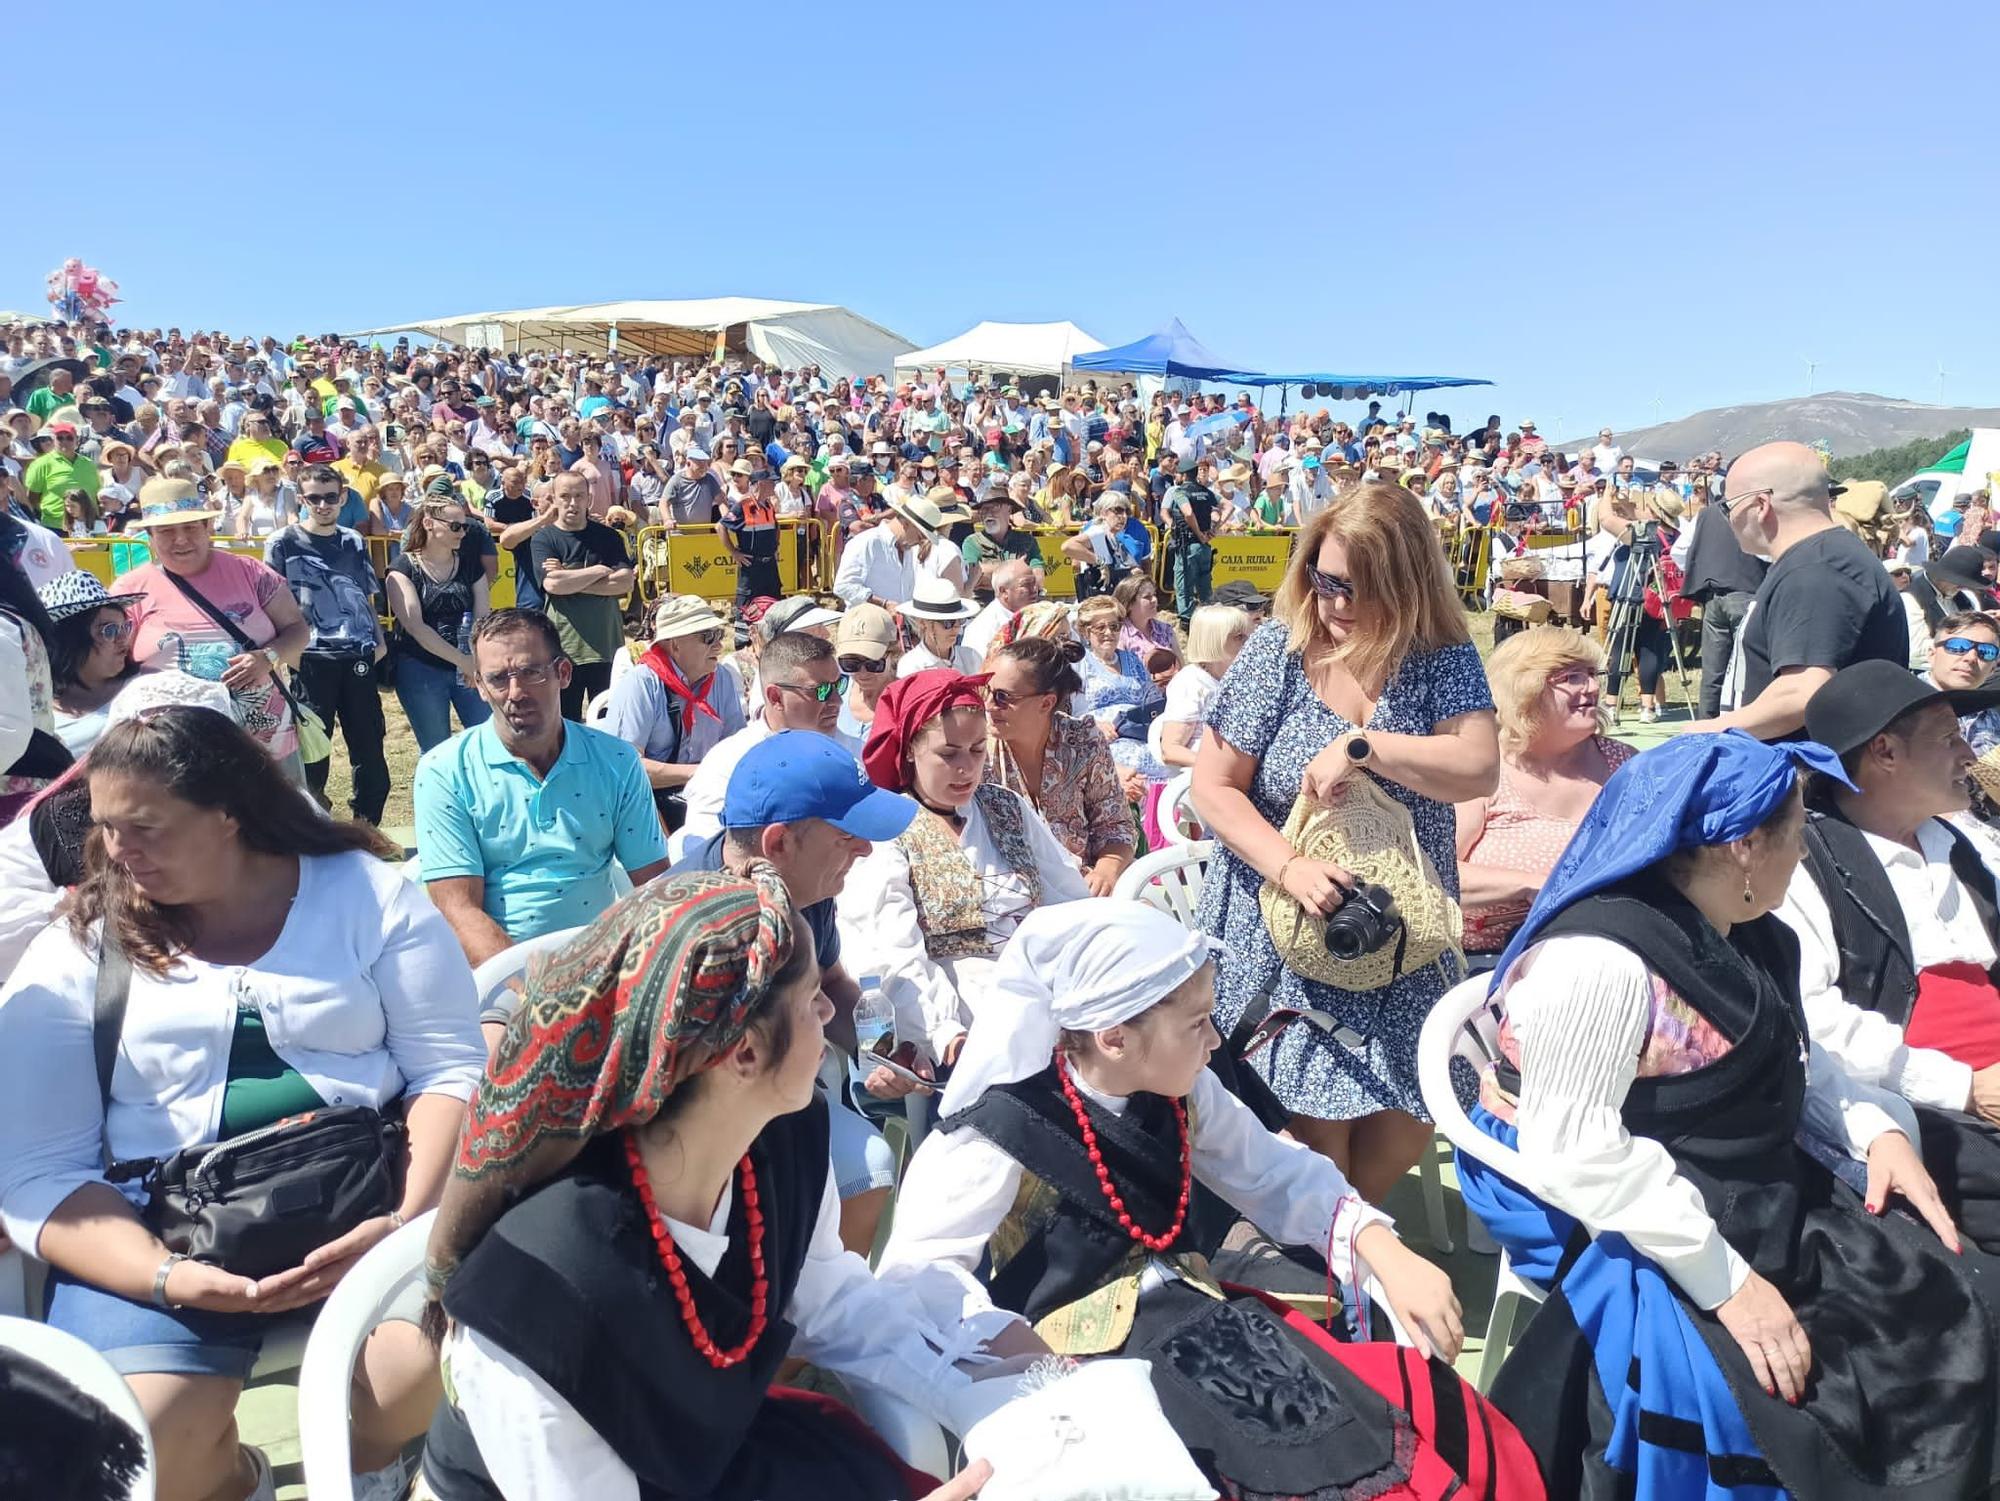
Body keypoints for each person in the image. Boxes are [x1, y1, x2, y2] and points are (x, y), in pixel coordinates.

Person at [1457, 730, 2000, 1499]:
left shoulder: (1749, 931)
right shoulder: (1603, 962)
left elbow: (1799, 1061)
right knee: (1840, 1386)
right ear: (1744, 846)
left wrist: (1874, 1130)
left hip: (1731, 1175)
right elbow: (1574, 1150)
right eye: (1798, 832)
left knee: (1953, 1294)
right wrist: (1730, 1285)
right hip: (1608, 1198)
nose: (1808, 854)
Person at [877, 901, 1545, 1501]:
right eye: (1197, 1022)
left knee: (1382, 1435)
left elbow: (1275, 1172)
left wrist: (1383, 1248)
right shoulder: (999, 1132)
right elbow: (916, 1277)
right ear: (1114, 1037)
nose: (1216, 1040)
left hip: (1205, 1324)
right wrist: (1009, 1348)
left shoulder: (1182, 1092)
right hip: (1087, 1379)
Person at [0, 705, 485, 1501]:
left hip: (369, 1199)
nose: (117, 852)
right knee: (138, 1438)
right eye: (106, 826)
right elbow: (38, 1167)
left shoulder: (365, 894)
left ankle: (369, 1457)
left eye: (145, 827)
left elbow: (449, 1071)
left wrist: (400, 1221)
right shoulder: (79, 946)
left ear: (229, 812)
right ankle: (236, 1482)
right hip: (162, 1230)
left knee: (415, 1365)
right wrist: (167, 1279)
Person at [416, 872, 1017, 1501]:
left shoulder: (783, 1137)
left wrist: (983, 1393)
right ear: (744, 1055)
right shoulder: (540, 1294)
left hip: (708, 1462)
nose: (829, 1011)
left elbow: (829, 1296)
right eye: (813, 996)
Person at [1191, 486, 1497, 1199]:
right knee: (1313, 1146)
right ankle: (1336, 1269)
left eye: (1359, 588)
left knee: (1412, 1114)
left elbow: (1478, 767)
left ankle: (1341, 1253)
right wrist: (1291, 866)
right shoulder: (1280, 649)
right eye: (1324, 581)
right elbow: (1213, 786)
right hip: (1279, 934)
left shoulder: (1439, 655)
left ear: (1407, 583)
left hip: (1402, 939)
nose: (1335, 603)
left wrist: (1363, 745)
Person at [667, 731, 923, 1254]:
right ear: (779, 843)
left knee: (870, 1167)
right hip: (695, 1125)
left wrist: (877, 1053)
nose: (866, 848)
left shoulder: (807, 885)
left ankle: (813, 1299)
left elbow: (830, 985)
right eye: (846, 834)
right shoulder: (684, 925)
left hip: (783, 1094)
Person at [1775, 661, 2000, 1147]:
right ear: (1885, 752)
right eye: (1948, 739)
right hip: (1923, 1111)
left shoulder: (1960, 845)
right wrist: (1965, 1087)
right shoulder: (1803, 862)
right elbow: (1810, 1019)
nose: (1968, 755)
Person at [839, 669, 1089, 1067]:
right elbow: (892, 953)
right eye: (948, 753)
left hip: (1044, 986)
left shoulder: (1003, 806)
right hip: (965, 1008)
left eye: (977, 750)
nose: (966, 768)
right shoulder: (891, 829)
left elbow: (1068, 898)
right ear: (909, 749)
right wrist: (945, 1032)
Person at [415, 609, 671, 991]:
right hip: (497, 978)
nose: (516, 693)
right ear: (479, 687)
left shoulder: (616, 761)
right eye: (498, 679)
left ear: (563, 673)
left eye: (531, 672)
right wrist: (535, 993)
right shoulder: (444, 770)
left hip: (601, 965)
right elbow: (458, 909)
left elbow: (654, 885)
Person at [1700, 441, 1908, 738]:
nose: (1729, 519)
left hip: (1813, 776)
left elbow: (1800, 693)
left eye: (1728, 507)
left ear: (1761, 506)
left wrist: (1701, 733)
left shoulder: (1816, 569)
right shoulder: (1818, 559)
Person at [1455, 626, 1635, 958]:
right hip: (1489, 964)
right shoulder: (1485, 771)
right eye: (1572, 677)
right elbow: (1439, 874)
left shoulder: (1624, 764)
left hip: (1608, 953)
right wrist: (1530, 884)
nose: (1593, 687)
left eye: (1593, 675)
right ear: (1524, 689)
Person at [116, 478, 307, 777]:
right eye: (166, 531)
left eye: (191, 527)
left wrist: (268, 658)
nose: (180, 539)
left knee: (282, 822)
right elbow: (109, 661)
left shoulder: (251, 572)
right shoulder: (129, 590)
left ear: (208, 528)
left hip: (267, 745)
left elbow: (297, 629)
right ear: (150, 537)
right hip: (173, 755)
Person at [265, 465, 390, 822]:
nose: (322, 505)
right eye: (314, 498)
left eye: (330, 497)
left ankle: (368, 829)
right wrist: (286, 652)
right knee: (312, 752)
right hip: (311, 658)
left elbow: (366, 597)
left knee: (369, 748)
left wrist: (378, 642)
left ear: (343, 497)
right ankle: (314, 827)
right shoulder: (282, 542)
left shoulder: (353, 540)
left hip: (358, 653)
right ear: (302, 499)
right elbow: (272, 601)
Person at [678, 631, 854, 851]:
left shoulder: (854, 752)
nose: (837, 701)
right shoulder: (727, 764)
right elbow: (704, 850)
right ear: (775, 698)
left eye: (840, 685)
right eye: (822, 691)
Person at [985, 637, 1134, 896]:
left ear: (1046, 703)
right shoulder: (976, 753)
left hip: (1084, 892)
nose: (988, 705)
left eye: (1002, 697)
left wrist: (1106, 871)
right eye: (985, 691)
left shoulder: (1082, 741)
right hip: (1012, 898)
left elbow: (1116, 827)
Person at [602, 594, 744, 829]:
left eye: (719, 634)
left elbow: (736, 745)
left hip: (708, 799)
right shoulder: (641, 683)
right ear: (675, 644)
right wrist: (700, 773)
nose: (719, 645)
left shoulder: (721, 678)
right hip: (647, 807)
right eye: (708, 637)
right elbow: (623, 769)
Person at [387, 492, 493, 754]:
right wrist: (463, 661)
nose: (462, 533)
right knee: (436, 750)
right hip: (420, 668)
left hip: (469, 665)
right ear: (429, 523)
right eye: (455, 526)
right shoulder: (402, 569)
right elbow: (416, 628)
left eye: (465, 526)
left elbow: (482, 616)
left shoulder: (470, 566)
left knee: (488, 740)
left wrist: (474, 659)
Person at [530, 472, 634, 721]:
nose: (572, 503)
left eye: (579, 496)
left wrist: (570, 577)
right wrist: (599, 571)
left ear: (589, 498)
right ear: (554, 499)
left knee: (609, 721)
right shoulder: (543, 538)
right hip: (564, 647)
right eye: (565, 496)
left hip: (606, 644)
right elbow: (552, 584)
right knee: (566, 723)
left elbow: (625, 581)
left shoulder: (608, 537)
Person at [1670, 481, 1767, 718]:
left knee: (1713, 671)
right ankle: (1745, 723)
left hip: (1713, 598)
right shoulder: (1752, 511)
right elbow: (1768, 552)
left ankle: (1708, 726)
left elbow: (1679, 551)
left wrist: (1705, 567)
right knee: (1748, 667)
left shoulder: (1705, 514)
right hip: (1746, 592)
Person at [36, 571, 154, 755]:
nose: (124, 638)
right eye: (110, 630)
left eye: (126, 627)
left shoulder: (148, 690)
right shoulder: (33, 705)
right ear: (70, 641)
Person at [1073, 595, 1170, 782]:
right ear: (1086, 632)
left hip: (1142, 737)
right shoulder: (1080, 664)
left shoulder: (1132, 659)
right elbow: (1067, 712)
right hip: (1104, 742)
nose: (1109, 632)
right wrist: (1093, 725)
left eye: (1114, 626)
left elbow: (1151, 699)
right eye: (1100, 627)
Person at [1155, 602, 1249, 771]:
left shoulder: (1240, 678)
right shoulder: (1191, 682)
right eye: (1239, 637)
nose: (1250, 644)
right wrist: (1219, 768)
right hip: (1203, 778)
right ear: (1215, 640)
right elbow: (1171, 750)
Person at [832, 490, 942, 610]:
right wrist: (884, 603)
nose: (920, 542)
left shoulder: (908, 550)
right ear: (906, 524)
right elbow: (843, 586)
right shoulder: (867, 542)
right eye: (920, 536)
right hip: (868, 624)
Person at [1160, 451, 1218, 627]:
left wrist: (1198, 532)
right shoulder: (1206, 492)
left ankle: (1186, 621)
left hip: (1188, 545)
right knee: (1204, 585)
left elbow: (1188, 512)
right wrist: (1214, 528)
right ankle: (1210, 620)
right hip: (1205, 547)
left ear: (1184, 474)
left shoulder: (1180, 492)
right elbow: (1224, 506)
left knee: (1184, 584)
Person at [832, 603, 901, 743]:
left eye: (873, 663)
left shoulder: (906, 701)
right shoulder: (833, 693)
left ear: (893, 654)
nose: (862, 673)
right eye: (850, 664)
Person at [957, 490, 1041, 603]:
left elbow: (1038, 579)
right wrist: (1020, 569)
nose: (988, 513)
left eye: (994, 508)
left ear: (1009, 510)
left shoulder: (1027, 541)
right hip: (984, 606)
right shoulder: (972, 542)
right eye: (984, 509)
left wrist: (991, 573)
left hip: (1021, 608)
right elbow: (974, 577)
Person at [1059, 494, 1144, 599]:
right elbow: (1067, 546)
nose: (1124, 516)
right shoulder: (1098, 531)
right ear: (1103, 513)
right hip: (1098, 599)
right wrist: (1100, 562)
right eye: (1118, 510)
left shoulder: (1114, 535)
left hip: (1111, 597)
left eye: (1127, 511)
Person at [896, 577, 982, 677]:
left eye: (960, 620)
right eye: (948, 623)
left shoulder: (971, 657)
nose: (956, 628)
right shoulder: (910, 666)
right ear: (923, 623)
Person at [962, 557, 1042, 663]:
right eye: (1026, 585)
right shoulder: (983, 628)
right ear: (1004, 591)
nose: (1034, 590)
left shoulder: (1041, 615)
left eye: (1034, 583)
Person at [1112, 574, 1180, 677]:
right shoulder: (1120, 636)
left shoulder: (1165, 629)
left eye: (1154, 594)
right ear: (1129, 604)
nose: (1154, 600)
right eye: (1147, 597)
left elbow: (1181, 666)